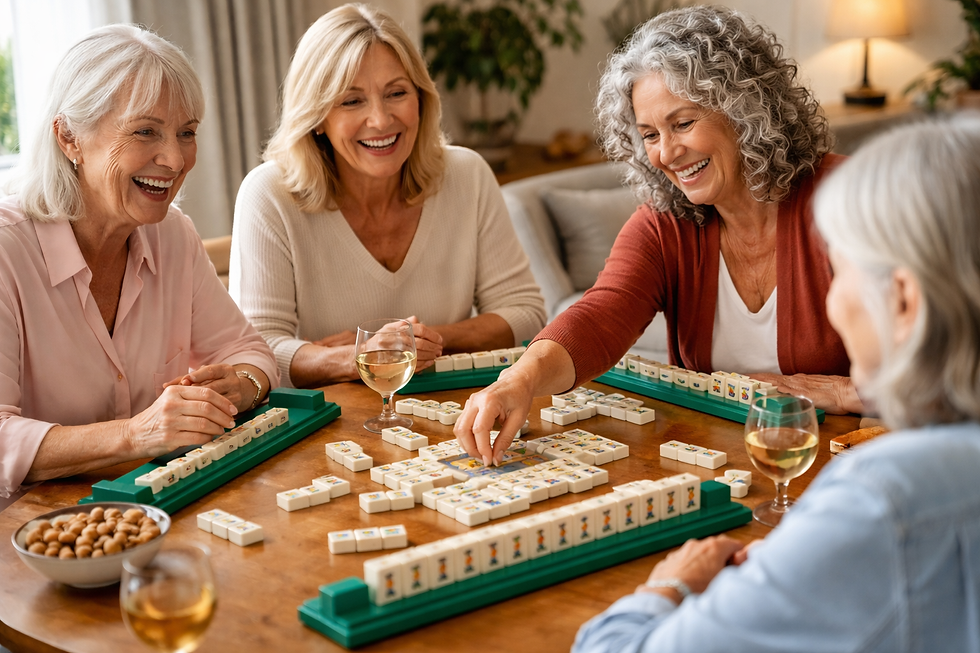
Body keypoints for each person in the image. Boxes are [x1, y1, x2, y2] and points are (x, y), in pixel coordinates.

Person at [571, 113, 980, 652]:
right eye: (649, 133)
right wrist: (809, 560)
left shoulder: (880, 498)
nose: (830, 300)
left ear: (902, 300)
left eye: (842, 271)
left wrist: (669, 585)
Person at [454, 5, 860, 464]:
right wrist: (519, 380)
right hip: (725, 465)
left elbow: (948, 358)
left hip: (848, 461)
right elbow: (600, 315)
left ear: (744, 109)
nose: (666, 153)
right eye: (649, 134)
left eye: (683, 123)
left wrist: (847, 391)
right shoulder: (667, 223)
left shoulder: (851, 200)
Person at [0, 25, 279, 511]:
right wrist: (136, 434)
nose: (174, 159)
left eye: (186, 133)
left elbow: (249, 350)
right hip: (30, 540)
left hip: (156, 512)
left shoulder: (173, 235)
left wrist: (244, 385)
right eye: (145, 131)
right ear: (69, 137)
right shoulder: (6, 250)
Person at [230, 4, 546, 389]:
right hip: (333, 428)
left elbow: (526, 314)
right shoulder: (268, 195)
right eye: (351, 100)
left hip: (452, 411)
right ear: (316, 119)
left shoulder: (468, 174)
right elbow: (257, 351)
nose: (380, 120)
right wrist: (357, 357)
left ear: (421, 99)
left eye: (396, 93)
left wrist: (417, 342)